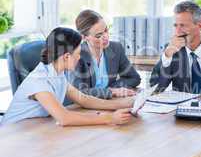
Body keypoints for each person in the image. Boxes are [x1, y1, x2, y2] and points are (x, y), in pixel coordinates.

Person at [1, 27, 134, 126]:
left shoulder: (57, 73)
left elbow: (84, 100)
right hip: (12, 136)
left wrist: (122, 104)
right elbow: (65, 118)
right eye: (77, 53)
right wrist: (109, 118)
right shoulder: (39, 80)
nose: (79, 57)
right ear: (66, 57)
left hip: (34, 130)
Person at [68, 9, 141, 100]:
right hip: (83, 106)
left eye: (106, 30)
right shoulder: (77, 55)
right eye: (98, 35)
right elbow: (78, 91)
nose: (105, 37)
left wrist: (113, 88)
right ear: (84, 37)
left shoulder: (116, 48)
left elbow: (134, 78)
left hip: (108, 101)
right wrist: (111, 92)